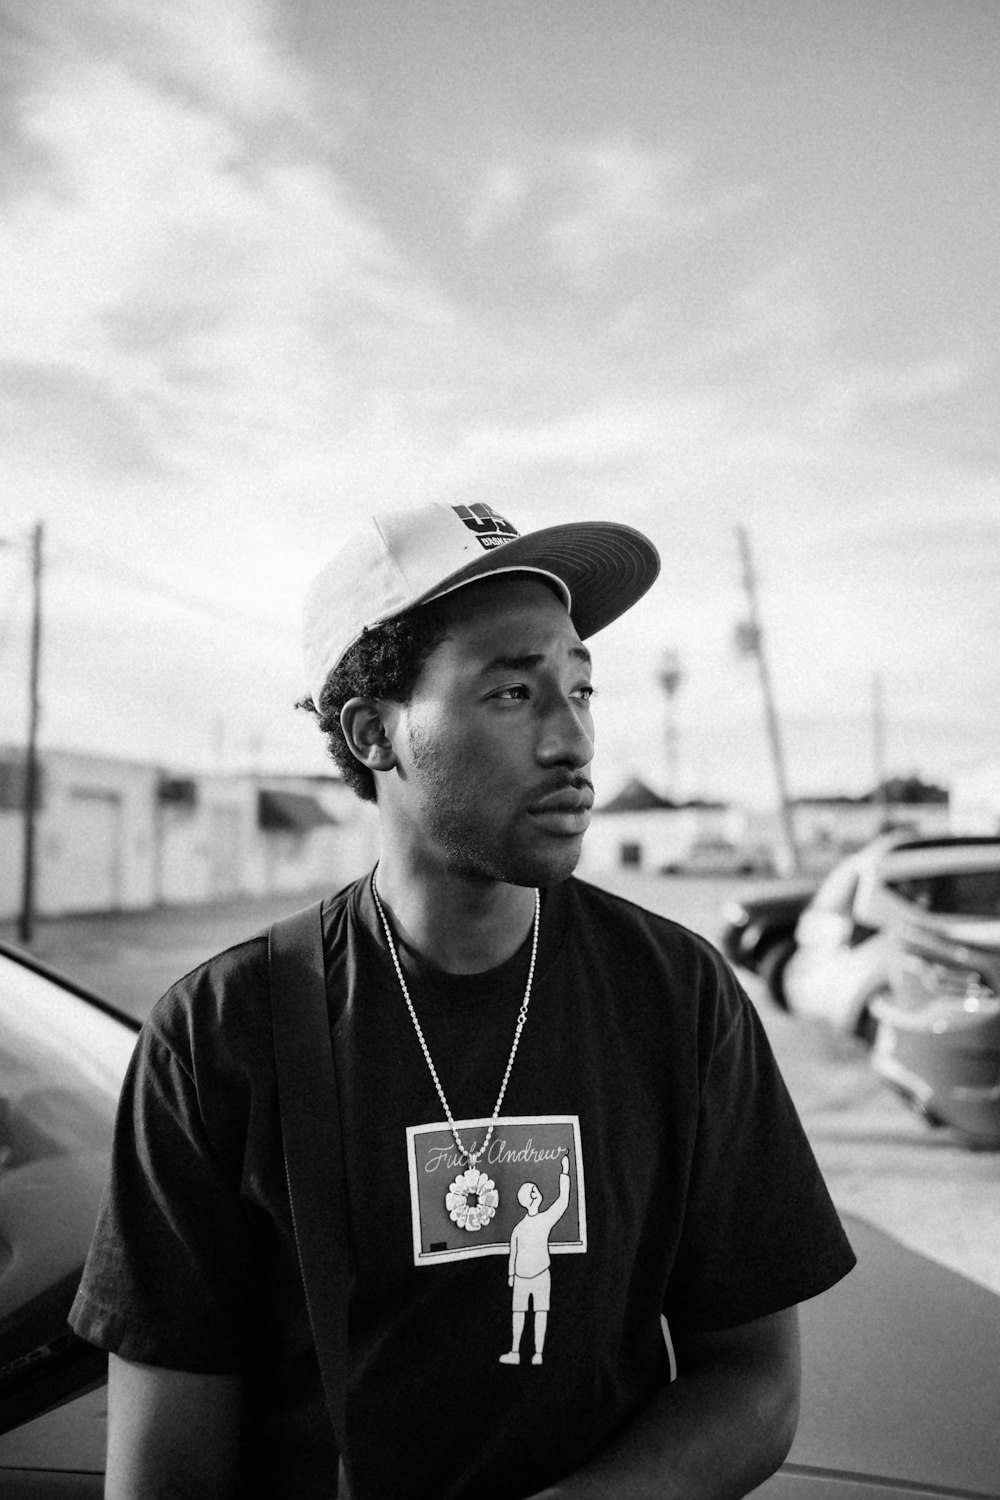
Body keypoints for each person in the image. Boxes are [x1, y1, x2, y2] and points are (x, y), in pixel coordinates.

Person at [70, 501, 856, 1500]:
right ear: (373, 732)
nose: (572, 739)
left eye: (580, 685)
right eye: (514, 691)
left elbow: (752, 1378)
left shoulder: (676, 992)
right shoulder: (222, 1034)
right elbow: (166, 1469)